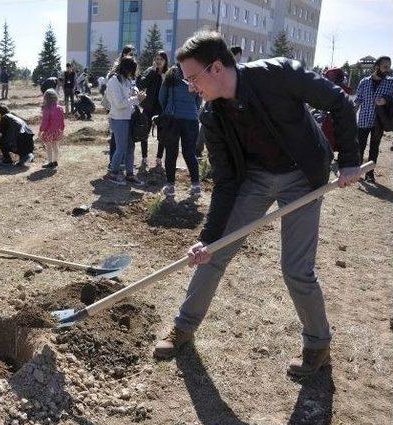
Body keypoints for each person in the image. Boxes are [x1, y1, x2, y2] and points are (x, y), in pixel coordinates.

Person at [152, 31, 362, 378]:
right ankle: (183, 329)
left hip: (302, 177)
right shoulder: (213, 116)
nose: (190, 87)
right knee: (214, 252)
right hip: (255, 179)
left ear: (216, 68)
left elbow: (339, 101)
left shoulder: (278, 74)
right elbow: (225, 181)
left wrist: (350, 160)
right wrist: (208, 237)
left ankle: (317, 345)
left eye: (192, 78)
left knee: (296, 269)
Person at [158, 55, 202, 197]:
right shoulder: (196, 75)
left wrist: (167, 109)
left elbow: (161, 96)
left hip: (173, 119)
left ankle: (170, 186)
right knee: (189, 152)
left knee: (171, 152)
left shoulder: (171, 73)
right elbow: (199, 99)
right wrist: (192, 110)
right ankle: (196, 186)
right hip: (191, 119)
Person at [104, 56, 145, 186]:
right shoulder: (114, 81)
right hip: (118, 118)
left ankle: (130, 174)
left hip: (128, 117)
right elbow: (119, 104)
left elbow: (132, 89)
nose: (132, 74)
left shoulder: (126, 80)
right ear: (126, 69)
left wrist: (136, 92)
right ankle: (113, 173)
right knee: (121, 147)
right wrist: (137, 99)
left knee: (130, 147)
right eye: (131, 71)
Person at [354, 56, 393, 182]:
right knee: (360, 146)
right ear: (377, 67)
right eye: (385, 66)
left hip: (379, 121)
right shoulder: (364, 82)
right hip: (364, 119)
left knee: (374, 147)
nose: (388, 69)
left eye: (389, 66)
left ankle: (369, 174)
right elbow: (358, 100)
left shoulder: (391, 82)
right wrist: (351, 113)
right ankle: (356, 172)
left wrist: (386, 100)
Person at [136, 51, 169, 168]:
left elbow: (170, 90)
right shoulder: (151, 71)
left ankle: (159, 158)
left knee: (162, 135)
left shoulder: (168, 73)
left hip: (161, 109)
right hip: (148, 107)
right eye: (157, 59)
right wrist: (152, 72)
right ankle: (144, 158)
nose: (159, 61)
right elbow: (141, 84)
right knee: (144, 133)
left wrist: (163, 76)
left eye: (161, 59)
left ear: (165, 61)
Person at [39, 88, 65, 169]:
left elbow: (45, 122)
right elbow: (62, 120)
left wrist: (40, 131)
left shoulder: (46, 109)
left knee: (49, 147)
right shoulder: (60, 108)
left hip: (48, 132)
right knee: (55, 146)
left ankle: (49, 162)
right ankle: (55, 161)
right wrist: (62, 129)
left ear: (45, 98)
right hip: (57, 131)